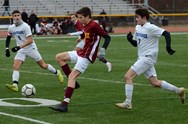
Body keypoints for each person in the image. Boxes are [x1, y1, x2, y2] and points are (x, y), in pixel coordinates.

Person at [115, 8, 185, 110]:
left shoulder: (151, 27)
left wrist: (168, 47)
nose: (136, 19)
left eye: (137, 17)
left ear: (144, 17)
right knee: (155, 83)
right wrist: (130, 40)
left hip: (148, 58)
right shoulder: (138, 27)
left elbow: (166, 33)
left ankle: (128, 102)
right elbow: (136, 44)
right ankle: (179, 91)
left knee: (128, 76)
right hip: (143, 58)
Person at [49, 7, 111, 112]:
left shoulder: (95, 25)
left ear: (87, 16)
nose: (80, 20)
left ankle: (64, 105)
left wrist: (103, 50)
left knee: (72, 76)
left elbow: (107, 37)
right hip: (81, 52)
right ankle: (74, 84)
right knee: (59, 57)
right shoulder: (85, 25)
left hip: (87, 56)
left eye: (81, 17)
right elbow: (85, 33)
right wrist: (81, 37)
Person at [5, 10, 64, 92]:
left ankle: (57, 72)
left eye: (18, 15)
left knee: (43, 65)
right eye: (15, 15)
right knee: (15, 66)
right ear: (12, 17)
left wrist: (19, 47)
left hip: (30, 48)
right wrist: (7, 48)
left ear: (20, 16)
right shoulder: (11, 27)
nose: (16, 17)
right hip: (21, 50)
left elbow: (30, 40)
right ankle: (15, 85)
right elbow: (8, 38)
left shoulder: (25, 26)